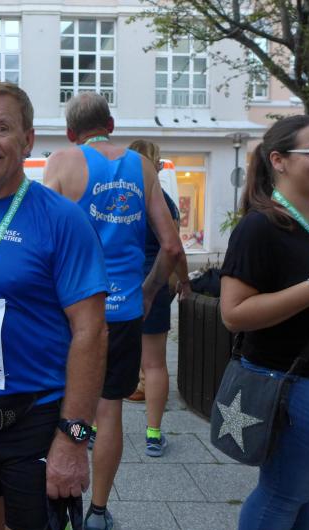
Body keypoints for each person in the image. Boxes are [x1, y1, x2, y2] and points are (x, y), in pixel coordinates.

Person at [0, 80, 108, 530]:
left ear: (27, 139)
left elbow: (92, 332)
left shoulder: (62, 219)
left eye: (1, 128)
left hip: (34, 421)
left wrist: (74, 437)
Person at [44, 91, 183, 530]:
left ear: (71, 132)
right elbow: (171, 246)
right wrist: (148, 291)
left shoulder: (62, 162)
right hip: (123, 311)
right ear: (111, 125)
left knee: (62, 408)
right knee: (109, 412)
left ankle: (61, 504)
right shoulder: (142, 166)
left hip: (70, 311)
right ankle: (99, 513)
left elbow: (42, 240)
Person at [220, 115, 309, 530]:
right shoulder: (260, 226)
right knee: (283, 493)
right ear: (278, 160)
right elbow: (233, 313)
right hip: (296, 383)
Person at [125, 139, 190, 457]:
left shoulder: (118, 198)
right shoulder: (164, 200)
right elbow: (174, 247)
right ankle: (153, 435)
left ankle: (92, 431)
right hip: (154, 282)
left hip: (117, 286)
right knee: (154, 364)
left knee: (103, 360)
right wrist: (185, 281)